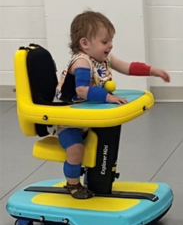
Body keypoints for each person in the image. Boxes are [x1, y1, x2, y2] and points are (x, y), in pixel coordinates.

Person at [54, 10, 170, 199]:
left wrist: (153, 71)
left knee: (103, 147)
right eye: (104, 41)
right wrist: (108, 97)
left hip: (87, 116)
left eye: (110, 40)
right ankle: (73, 184)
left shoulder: (102, 58)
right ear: (85, 43)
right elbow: (82, 90)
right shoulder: (82, 62)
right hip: (69, 121)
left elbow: (127, 67)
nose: (110, 45)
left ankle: (99, 181)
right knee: (77, 151)